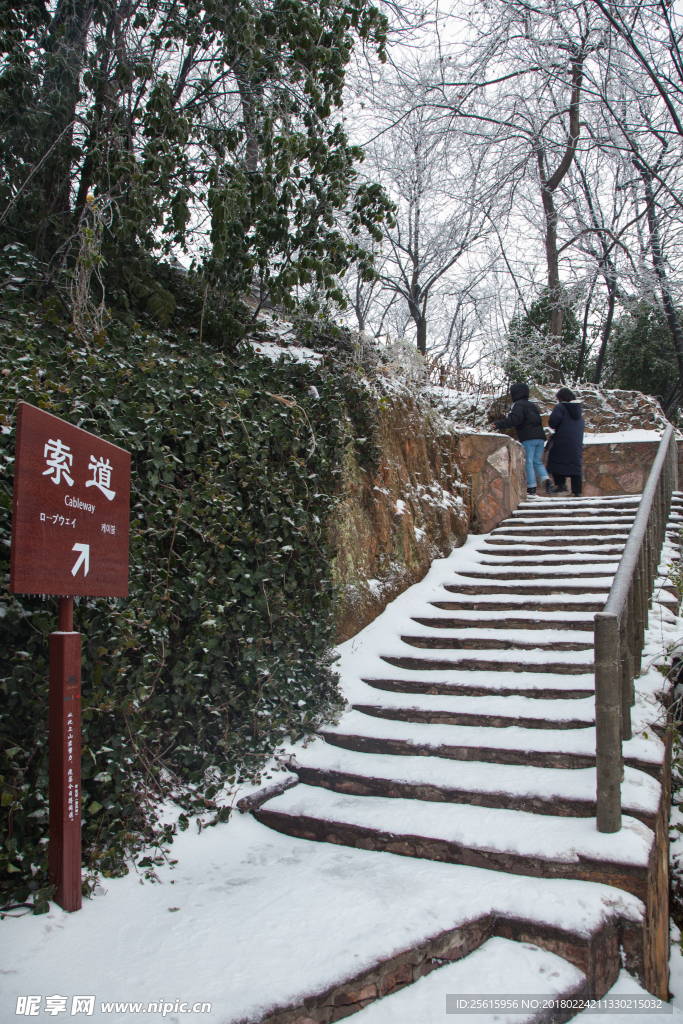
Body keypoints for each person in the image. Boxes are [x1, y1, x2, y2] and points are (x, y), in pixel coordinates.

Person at [492, 383, 553, 498]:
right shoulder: (532, 405)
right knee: (537, 462)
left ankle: (531, 488)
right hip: (540, 438)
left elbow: (514, 419)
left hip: (528, 438)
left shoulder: (518, 405)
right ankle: (547, 481)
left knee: (528, 463)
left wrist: (498, 424)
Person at [546, 387, 585, 497]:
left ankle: (561, 485)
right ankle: (577, 492)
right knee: (575, 464)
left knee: (555, 460)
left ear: (561, 398)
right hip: (576, 442)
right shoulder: (578, 411)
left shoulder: (561, 407)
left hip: (562, 439)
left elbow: (553, 422)